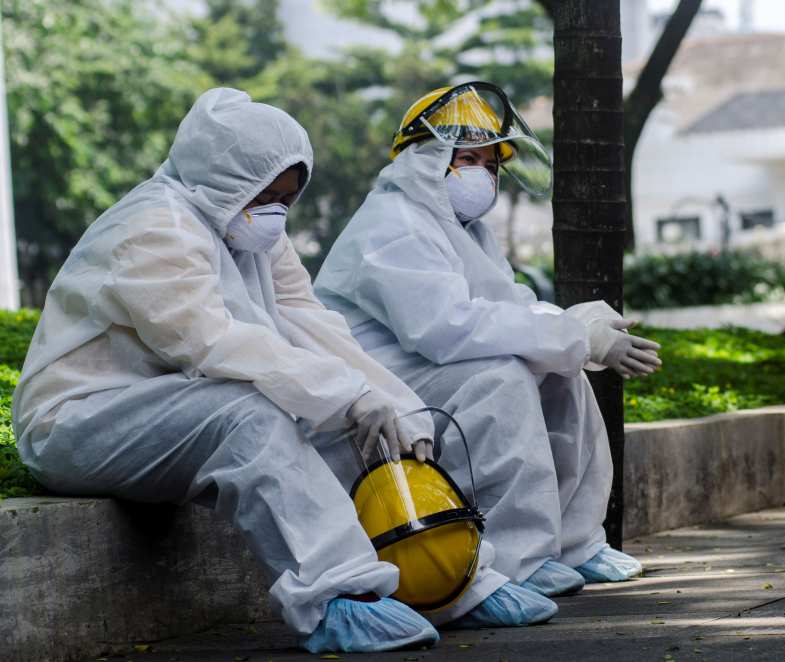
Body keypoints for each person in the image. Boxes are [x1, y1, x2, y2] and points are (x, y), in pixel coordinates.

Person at [11, 88, 546, 654]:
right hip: (78, 423)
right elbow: (212, 345)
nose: (275, 212)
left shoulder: (249, 226)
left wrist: (387, 398)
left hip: (172, 410)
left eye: (286, 199)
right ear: (224, 177)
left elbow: (309, 319)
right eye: (266, 195)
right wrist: (344, 394)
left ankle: (454, 582)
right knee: (251, 415)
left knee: (353, 427)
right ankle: (336, 599)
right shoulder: (154, 228)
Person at [313, 82, 663, 602]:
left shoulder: (465, 231)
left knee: (558, 369)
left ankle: (574, 543)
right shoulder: (392, 224)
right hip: (380, 387)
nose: (483, 174)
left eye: (491, 163)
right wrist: (569, 334)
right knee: (503, 377)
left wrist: (577, 330)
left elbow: (509, 307)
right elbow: (444, 327)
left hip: (427, 371)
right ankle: (515, 559)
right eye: (468, 158)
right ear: (425, 159)